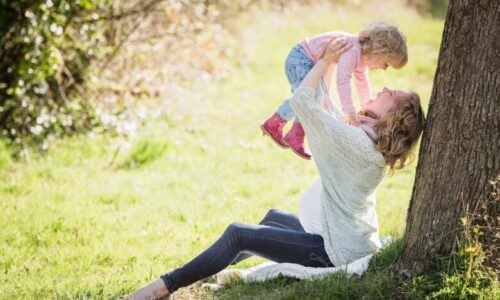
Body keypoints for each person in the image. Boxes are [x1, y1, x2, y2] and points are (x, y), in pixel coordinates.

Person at [128, 37, 425, 300]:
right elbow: (328, 111)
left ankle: (162, 288)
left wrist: (324, 60)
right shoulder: (367, 138)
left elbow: (303, 102)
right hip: (342, 239)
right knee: (272, 218)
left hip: (332, 254)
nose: (384, 87)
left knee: (238, 234)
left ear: (393, 117)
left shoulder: (357, 143)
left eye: (392, 94)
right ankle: (203, 269)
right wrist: (332, 63)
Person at [261, 21, 408, 159]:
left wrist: (366, 105)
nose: (383, 69)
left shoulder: (361, 57)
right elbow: (342, 81)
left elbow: (362, 82)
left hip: (307, 61)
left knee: (311, 99)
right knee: (307, 98)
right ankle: (277, 124)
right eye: (386, 64)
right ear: (380, 51)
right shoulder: (353, 50)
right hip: (301, 59)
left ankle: (295, 134)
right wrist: (349, 112)